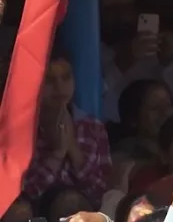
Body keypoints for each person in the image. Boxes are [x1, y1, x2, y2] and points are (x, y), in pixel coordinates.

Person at [23, 49, 111, 205]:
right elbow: (26, 193)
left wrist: (71, 146)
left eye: (66, 77)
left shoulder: (93, 127)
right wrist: (58, 153)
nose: (59, 87)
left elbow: (100, 189)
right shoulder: (21, 130)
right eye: (49, 80)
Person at [98, 0, 173, 124]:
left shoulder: (151, 49)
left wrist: (167, 62)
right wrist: (126, 60)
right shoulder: (91, 52)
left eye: (126, 9)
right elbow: (93, 97)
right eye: (112, 10)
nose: (121, 16)